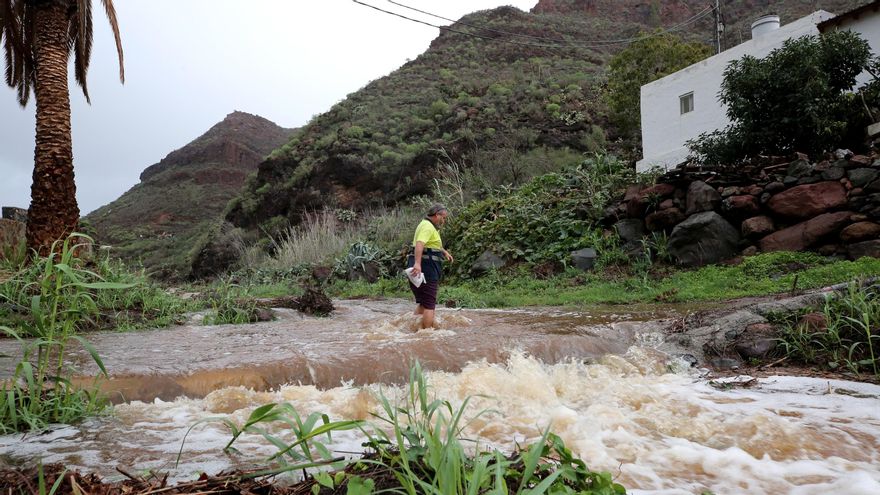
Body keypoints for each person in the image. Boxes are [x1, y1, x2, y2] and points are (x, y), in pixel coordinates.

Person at [407, 204, 454, 328]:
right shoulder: (428, 227)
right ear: (437, 215)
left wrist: (444, 252)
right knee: (429, 304)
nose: (444, 221)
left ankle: (414, 329)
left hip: (421, 266)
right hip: (426, 267)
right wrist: (418, 264)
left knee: (424, 302)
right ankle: (427, 334)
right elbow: (420, 244)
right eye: (443, 218)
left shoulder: (426, 225)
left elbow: (432, 244)